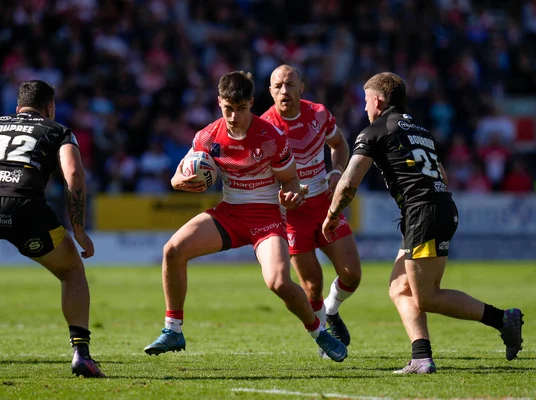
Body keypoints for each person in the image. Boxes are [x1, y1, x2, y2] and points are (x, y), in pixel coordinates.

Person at [322, 72, 524, 374]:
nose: (364, 108)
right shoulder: (419, 130)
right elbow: (440, 173)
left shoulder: (373, 132)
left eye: (366, 101)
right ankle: (421, 356)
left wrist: (332, 215)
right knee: (399, 287)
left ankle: (502, 319)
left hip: (422, 213)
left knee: (427, 296)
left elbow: (349, 182)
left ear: (378, 100)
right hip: (438, 207)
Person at [144, 71, 347, 362]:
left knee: (278, 282)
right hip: (229, 212)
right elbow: (178, 175)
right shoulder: (208, 136)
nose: (234, 116)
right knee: (173, 251)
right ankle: (173, 329)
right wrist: (183, 183)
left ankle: (319, 332)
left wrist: (291, 194)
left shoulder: (271, 137)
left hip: (266, 217)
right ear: (219, 103)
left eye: (241, 108)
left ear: (251, 102)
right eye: (229, 108)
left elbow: (290, 179)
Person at [0, 80, 105, 378]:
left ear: (17, 108)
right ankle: (81, 352)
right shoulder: (58, 130)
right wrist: (78, 228)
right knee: (71, 271)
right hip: (25, 207)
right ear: (49, 108)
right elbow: (74, 174)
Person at [261, 65, 361, 355]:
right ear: (270, 92)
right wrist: (281, 198)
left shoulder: (318, 114)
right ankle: (324, 337)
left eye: (290, 84)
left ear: (301, 87)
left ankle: (331, 309)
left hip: (325, 206)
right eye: (277, 86)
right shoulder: (265, 127)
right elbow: (262, 178)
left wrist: (337, 172)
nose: (284, 91)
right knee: (311, 285)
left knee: (352, 275)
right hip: (291, 216)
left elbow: (339, 144)